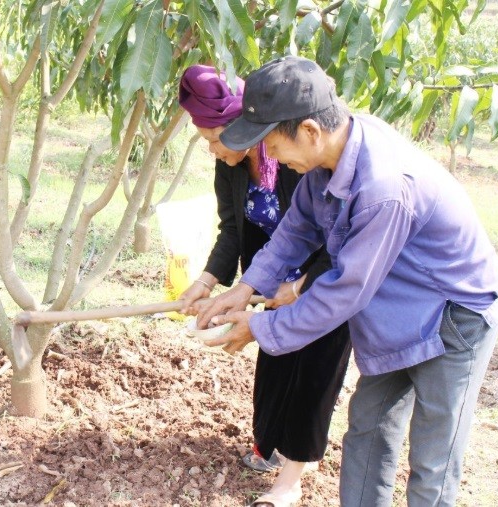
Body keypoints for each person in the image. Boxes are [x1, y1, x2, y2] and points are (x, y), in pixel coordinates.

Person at [196, 56, 498, 506]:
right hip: (395, 307)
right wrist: (246, 288)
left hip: (454, 313)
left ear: (309, 131)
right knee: (369, 428)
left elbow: (346, 290)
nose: (272, 158)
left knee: (433, 456)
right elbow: (297, 229)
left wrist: (261, 327)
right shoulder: (329, 156)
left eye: (274, 146)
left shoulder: (383, 188)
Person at [177, 65, 351, 507]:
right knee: (275, 359)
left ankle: (293, 475)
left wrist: (302, 284)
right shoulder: (231, 166)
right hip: (269, 276)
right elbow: (233, 230)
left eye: (215, 138)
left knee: (314, 368)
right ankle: (270, 442)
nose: (213, 150)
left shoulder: (298, 160)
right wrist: (207, 282)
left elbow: (335, 238)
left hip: (326, 274)